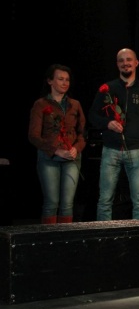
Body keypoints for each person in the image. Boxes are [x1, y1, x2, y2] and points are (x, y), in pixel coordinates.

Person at [89, 48, 139, 222]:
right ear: (117, 64)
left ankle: (138, 236)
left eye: (129, 59)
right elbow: (92, 115)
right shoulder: (108, 89)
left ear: (136, 63)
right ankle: (104, 236)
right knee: (105, 200)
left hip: (136, 151)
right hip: (111, 149)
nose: (125, 63)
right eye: (121, 60)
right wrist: (107, 123)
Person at [28, 64, 86, 224]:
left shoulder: (75, 104)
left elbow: (82, 133)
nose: (65, 83)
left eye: (67, 80)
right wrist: (55, 150)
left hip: (72, 158)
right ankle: (49, 238)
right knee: (51, 203)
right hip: (49, 158)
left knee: (67, 205)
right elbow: (33, 136)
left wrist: (76, 148)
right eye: (60, 79)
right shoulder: (41, 104)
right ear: (50, 81)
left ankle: (64, 238)